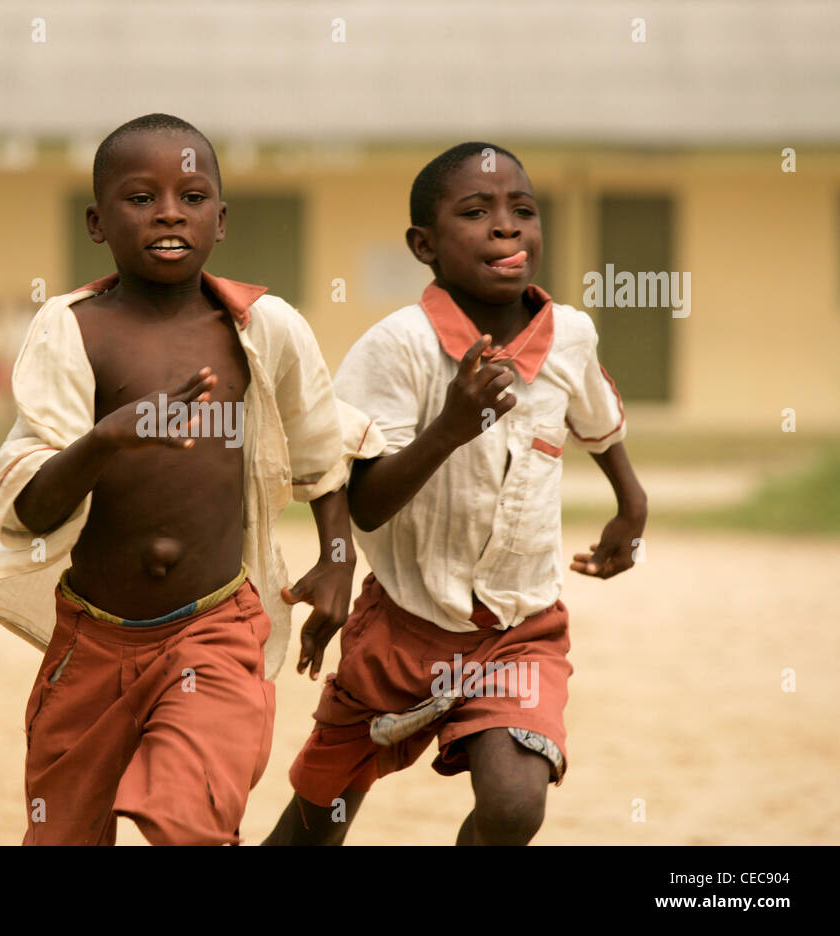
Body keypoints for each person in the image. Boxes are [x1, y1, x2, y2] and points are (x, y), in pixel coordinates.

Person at [0, 113, 382, 845]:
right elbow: (33, 510)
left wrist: (335, 558)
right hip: (92, 641)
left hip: (214, 631)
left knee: (185, 822)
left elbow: (324, 450)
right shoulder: (71, 330)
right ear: (97, 222)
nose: (169, 211)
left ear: (221, 220)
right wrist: (110, 435)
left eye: (192, 196)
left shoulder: (264, 330)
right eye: (141, 198)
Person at [265, 142, 648, 846]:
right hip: (404, 625)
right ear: (425, 245)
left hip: (520, 628)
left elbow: (597, 419)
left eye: (523, 211)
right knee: (320, 818)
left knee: (513, 806)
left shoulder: (568, 336)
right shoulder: (397, 348)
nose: (507, 228)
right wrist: (450, 427)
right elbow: (366, 501)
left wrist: (632, 503)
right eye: (476, 212)